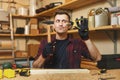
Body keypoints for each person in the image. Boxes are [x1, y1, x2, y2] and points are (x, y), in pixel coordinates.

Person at [32, 10, 101, 69]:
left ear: (69, 26)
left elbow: (97, 58)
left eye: (64, 21)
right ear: (54, 26)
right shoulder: (45, 43)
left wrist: (86, 39)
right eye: (58, 21)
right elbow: (35, 67)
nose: (61, 24)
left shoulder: (77, 43)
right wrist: (43, 55)